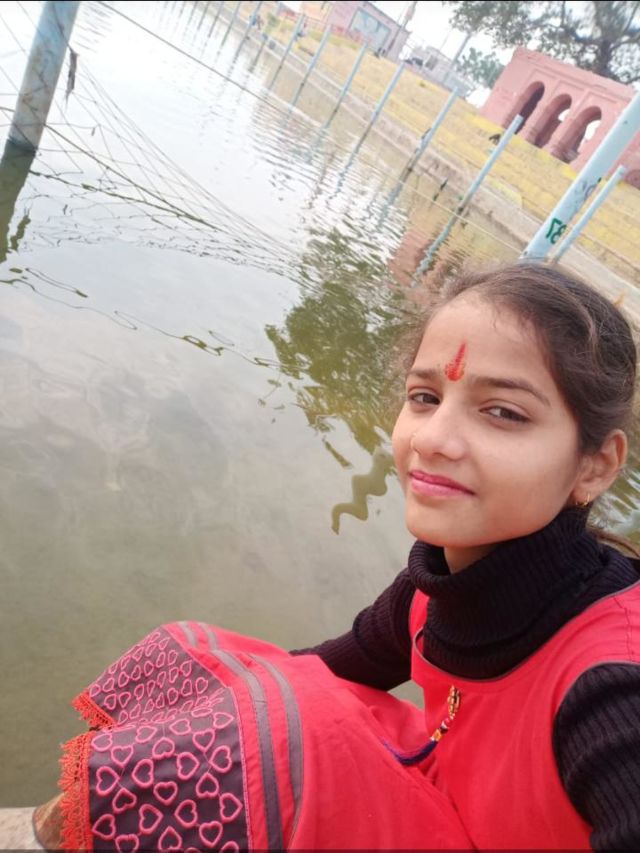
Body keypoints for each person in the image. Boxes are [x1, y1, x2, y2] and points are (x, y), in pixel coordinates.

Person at [6, 262, 640, 851]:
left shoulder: (613, 690)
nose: (434, 440)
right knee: (217, 684)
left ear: (595, 465)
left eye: (503, 412)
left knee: (284, 729)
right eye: (424, 397)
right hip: (438, 802)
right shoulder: (435, 586)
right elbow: (317, 672)